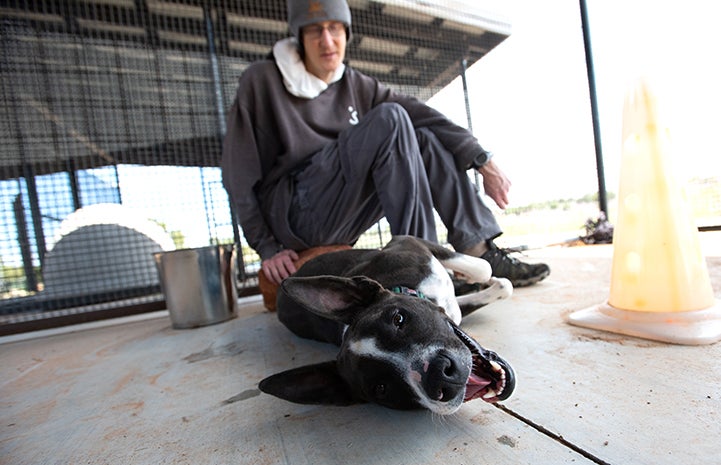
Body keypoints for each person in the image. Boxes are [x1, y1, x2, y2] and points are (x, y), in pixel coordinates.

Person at [222, 0, 550, 288]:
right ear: (299, 37)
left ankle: (478, 249)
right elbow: (238, 175)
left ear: (347, 33)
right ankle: (420, 271)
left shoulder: (356, 85)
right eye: (315, 30)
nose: (327, 40)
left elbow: (424, 115)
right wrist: (267, 247)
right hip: (296, 214)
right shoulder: (262, 80)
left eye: (335, 28)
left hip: (340, 211)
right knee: (391, 118)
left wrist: (481, 159)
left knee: (423, 136)